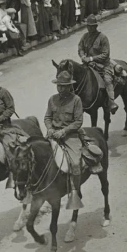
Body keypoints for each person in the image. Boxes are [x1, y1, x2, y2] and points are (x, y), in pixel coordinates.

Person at [44, 71, 101, 210]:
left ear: (70, 86)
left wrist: (63, 131)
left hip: (71, 136)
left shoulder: (76, 100)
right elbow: (47, 117)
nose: (61, 89)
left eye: (64, 86)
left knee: (75, 162)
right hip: (53, 134)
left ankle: (74, 191)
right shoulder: (52, 99)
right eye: (59, 86)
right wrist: (50, 129)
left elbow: (78, 122)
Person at [77, 15, 118, 114]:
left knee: (107, 80)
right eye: (88, 26)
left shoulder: (102, 38)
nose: (90, 28)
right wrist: (82, 56)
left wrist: (91, 58)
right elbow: (80, 48)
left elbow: (105, 54)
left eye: (92, 26)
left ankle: (111, 102)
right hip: (88, 64)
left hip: (102, 65)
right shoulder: (85, 37)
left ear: (96, 26)